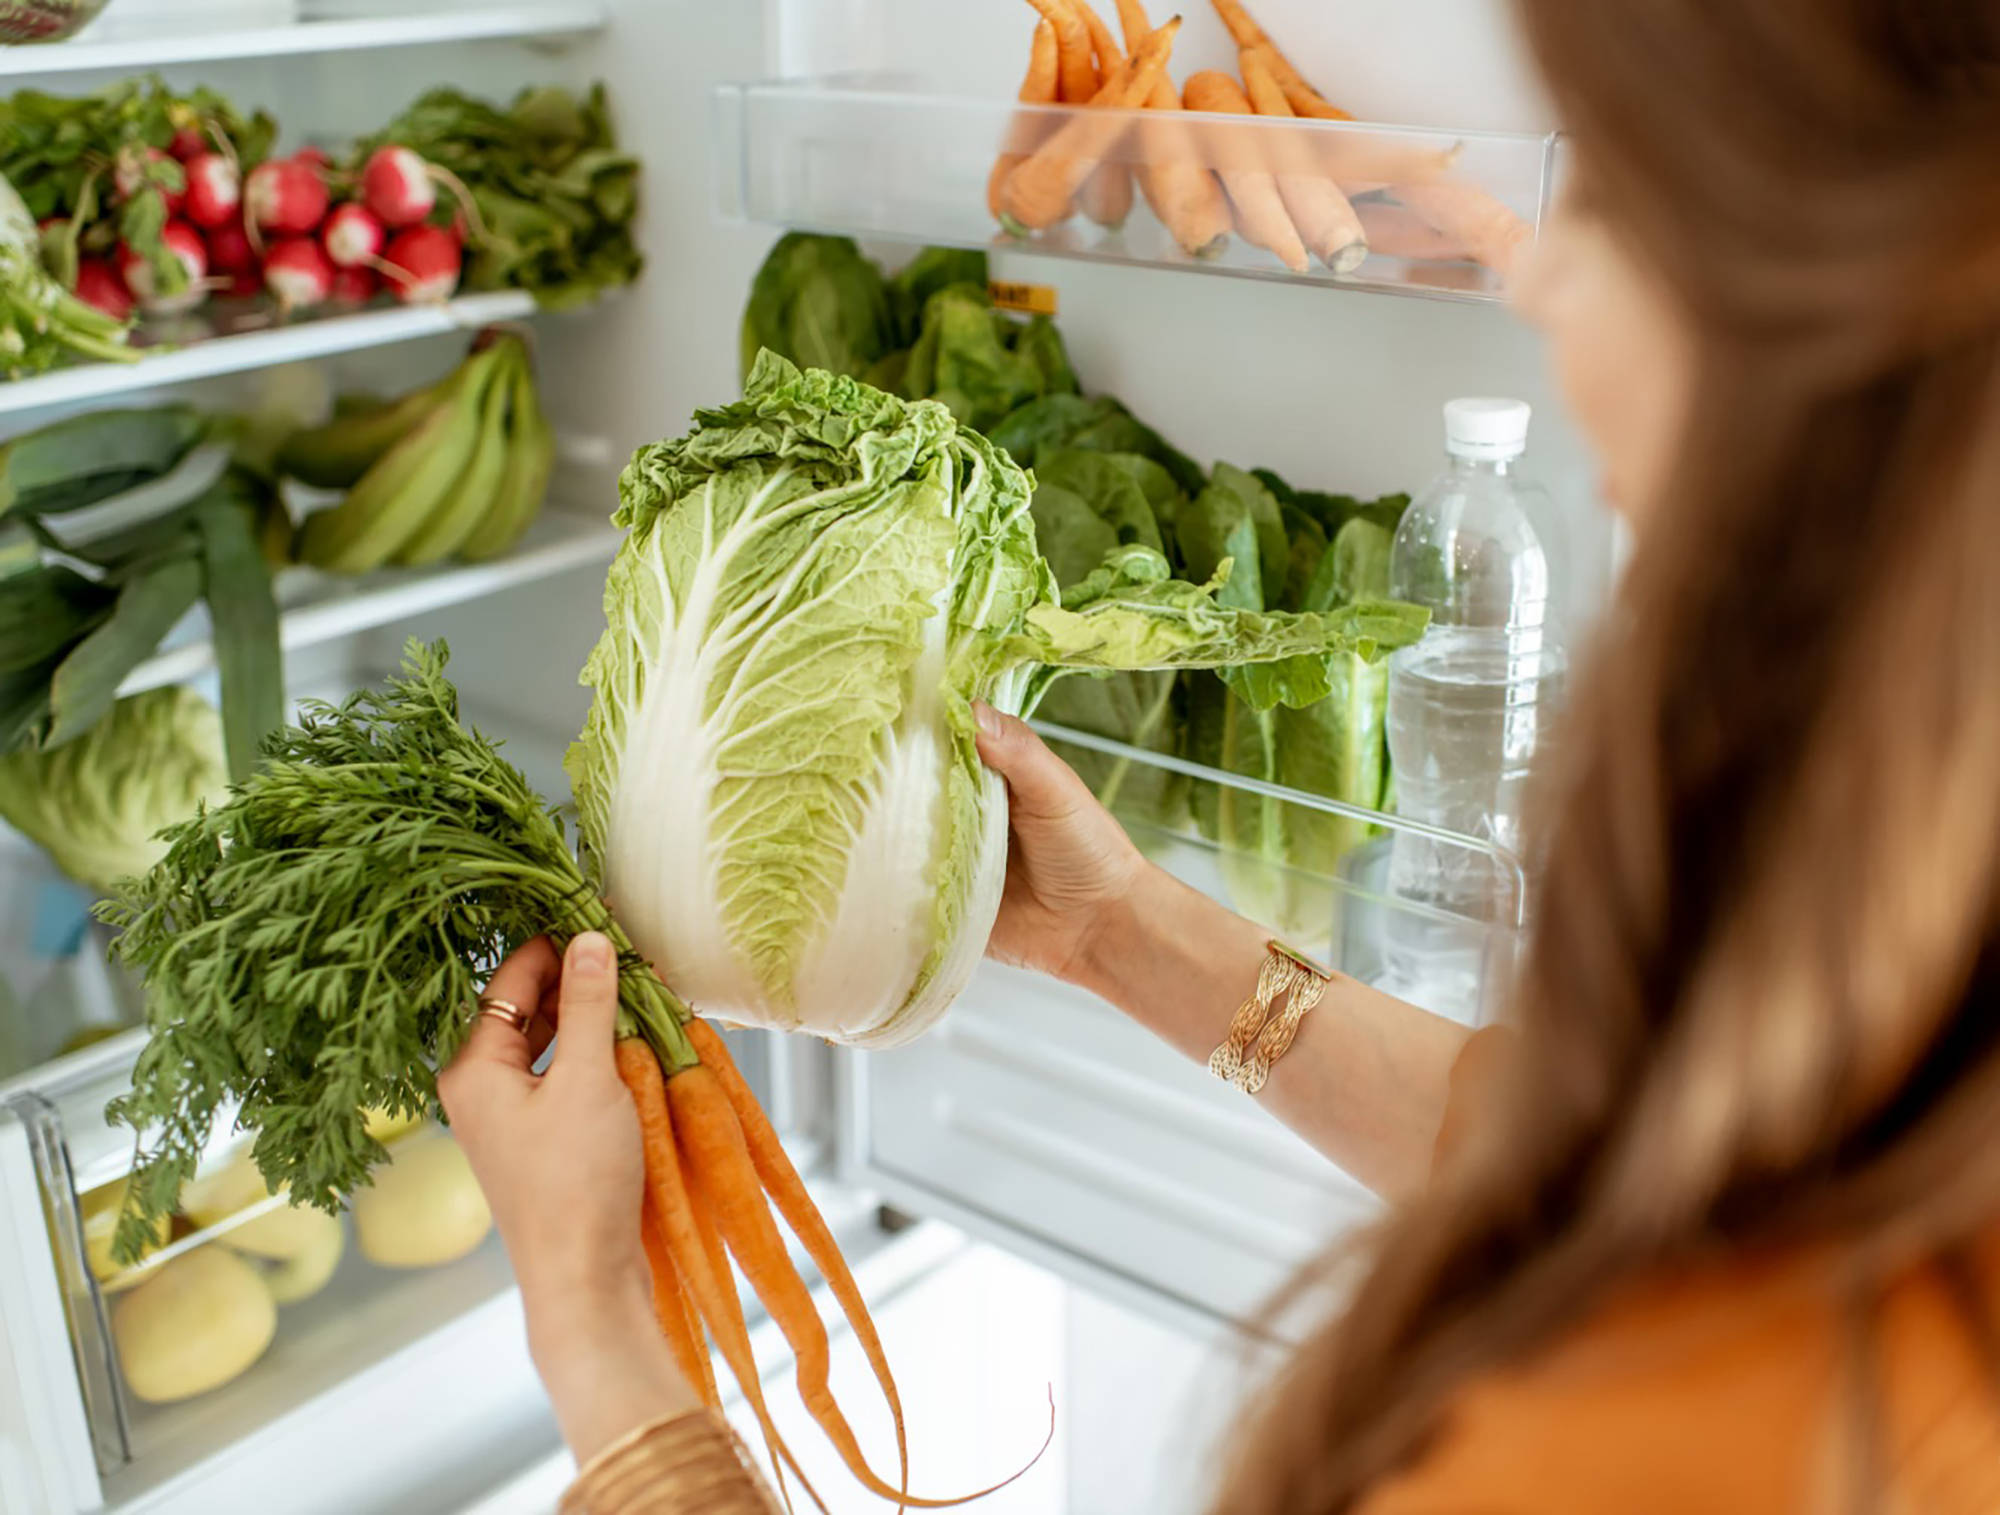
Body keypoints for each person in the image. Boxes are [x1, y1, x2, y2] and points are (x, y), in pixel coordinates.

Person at [437, 0, 2000, 1507]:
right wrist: (1121, 935)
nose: (1537, 280)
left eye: (1607, 186)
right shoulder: (1884, 1057)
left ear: (1823, 285)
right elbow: (1569, 1163)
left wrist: (587, 1311)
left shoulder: (1764, 1418)